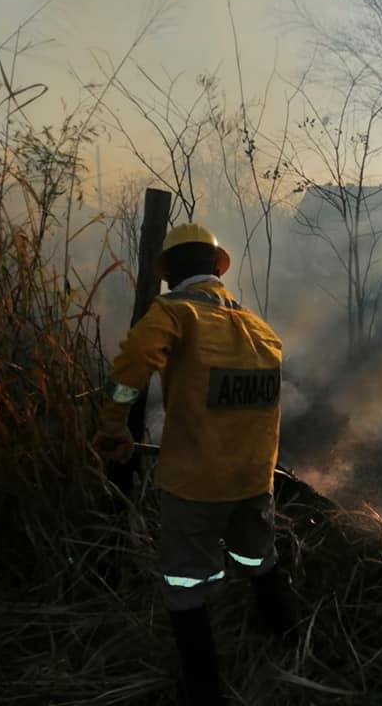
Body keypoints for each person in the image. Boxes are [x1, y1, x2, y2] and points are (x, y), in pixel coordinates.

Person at [92, 223, 295, 705]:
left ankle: (203, 690)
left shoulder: (173, 312)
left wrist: (114, 424)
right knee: (259, 560)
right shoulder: (260, 328)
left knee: (186, 584)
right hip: (255, 483)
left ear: (168, 275)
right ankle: (287, 645)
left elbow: (135, 360)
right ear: (215, 269)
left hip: (196, 486)